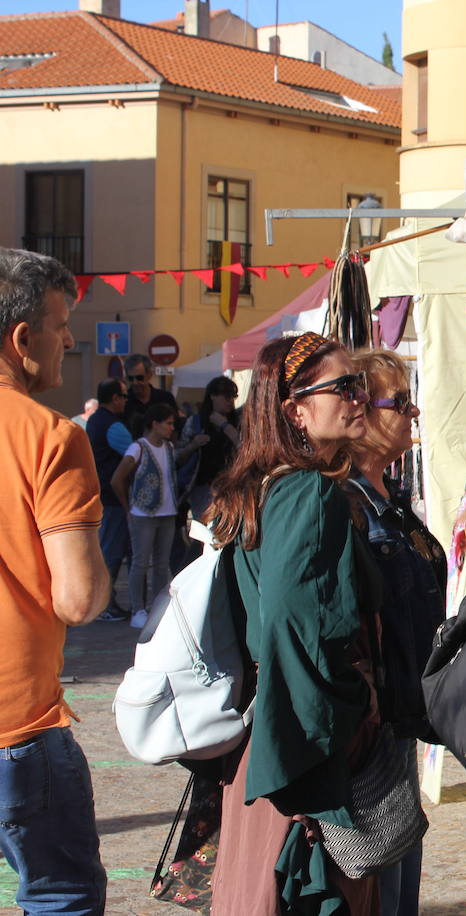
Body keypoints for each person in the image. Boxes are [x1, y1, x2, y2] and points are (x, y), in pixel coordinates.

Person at [206, 332, 395, 915]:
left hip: (276, 737)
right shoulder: (309, 492)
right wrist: (348, 704)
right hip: (308, 753)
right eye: (343, 387)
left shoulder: (264, 488)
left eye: (359, 385)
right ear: (295, 409)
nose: (358, 398)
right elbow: (292, 623)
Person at [0, 247, 108, 912]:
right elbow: (81, 597)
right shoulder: (50, 436)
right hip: (16, 729)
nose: (70, 339)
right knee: (60, 896)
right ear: (19, 338)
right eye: (61, 323)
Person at [346, 349, 444, 916]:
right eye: (399, 403)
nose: (413, 412)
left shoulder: (392, 497)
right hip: (375, 715)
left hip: (406, 707)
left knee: (404, 862)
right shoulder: (348, 503)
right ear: (359, 415)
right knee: (381, 875)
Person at [110, 402, 202, 629]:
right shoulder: (138, 447)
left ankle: (157, 606)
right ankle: (137, 609)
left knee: (161, 564)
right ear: (155, 424)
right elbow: (117, 478)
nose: (172, 428)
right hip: (144, 514)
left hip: (167, 513)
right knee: (140, 563)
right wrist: (128, 506)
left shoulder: (169, 448)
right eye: (169, 423)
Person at [88, 377, 134, 620]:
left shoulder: (96, 420)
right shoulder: (112, 425)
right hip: (115, 497)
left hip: (105, 494)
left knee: (111, 549)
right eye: (124, 396)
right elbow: (135, 454)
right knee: (113, 551)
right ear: (114, 398)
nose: (126, 400)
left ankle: (106, 603)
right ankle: (105, 605)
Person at [180, 376, 242, 524]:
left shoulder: (238, 421)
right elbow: (179, 457)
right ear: (212, 396)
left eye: (233, 397)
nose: (230, 401)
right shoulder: (196, 422)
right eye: (226, 396)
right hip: (202, 488)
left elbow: (245, 448)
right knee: (205, 532)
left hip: (231, 487)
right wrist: (194, 444)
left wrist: (226, 426)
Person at [121, 352, 179, 438]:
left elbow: (176, 428)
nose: (135, 382)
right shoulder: (124, 401)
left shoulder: (165, 398)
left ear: (149, 375)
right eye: (130, 378)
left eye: (139, 378)